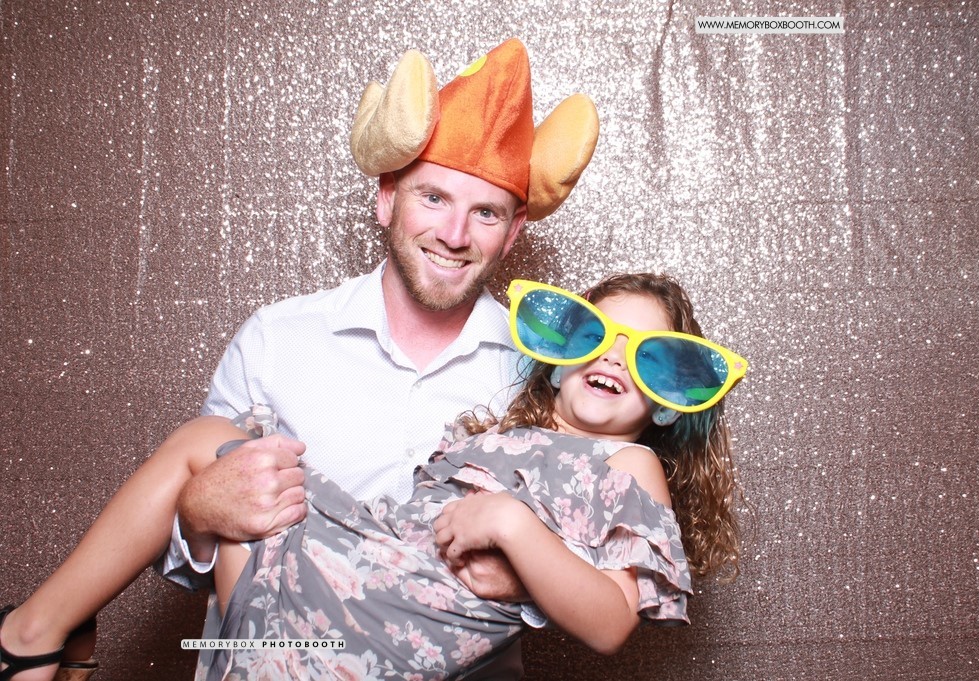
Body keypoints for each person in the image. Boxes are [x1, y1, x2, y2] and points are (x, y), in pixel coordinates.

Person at [0, 39, 599, 681]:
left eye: (485, 212)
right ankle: (35, 634)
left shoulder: (542, 372)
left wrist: (525, 574)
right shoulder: (277, 339)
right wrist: (196, 516)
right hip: (278, 657)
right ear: (387, 198)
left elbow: (590, 552)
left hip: (450, 663)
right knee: (211, 444)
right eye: (433, 198)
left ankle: (29, 638)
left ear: (513, 232)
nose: (455, 235)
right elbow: (182, 549)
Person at [192, 272, 747, 677]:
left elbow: (611, 625)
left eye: (649, 357)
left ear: (669, 402)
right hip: (355, 573)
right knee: (213, 445)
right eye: (593, 336)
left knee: (210, 448)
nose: (613, 358)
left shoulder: (628, 463)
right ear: (557, 363)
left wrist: (513, 527)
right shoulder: (498, 432)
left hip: (397, 635)